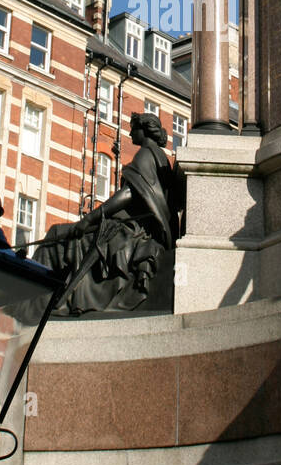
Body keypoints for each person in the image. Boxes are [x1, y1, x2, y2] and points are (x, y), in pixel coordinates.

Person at [31, 112, 183, 315]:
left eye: (133, 128)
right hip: (134, 227)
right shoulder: (159, 156)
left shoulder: (146, 154)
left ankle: (38, 305)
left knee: (58, 236)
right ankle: (48, 304)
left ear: (144, 130)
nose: (129, 132)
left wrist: (89, 218)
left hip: (133, 230)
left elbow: (129, 193)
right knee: (59, 235)